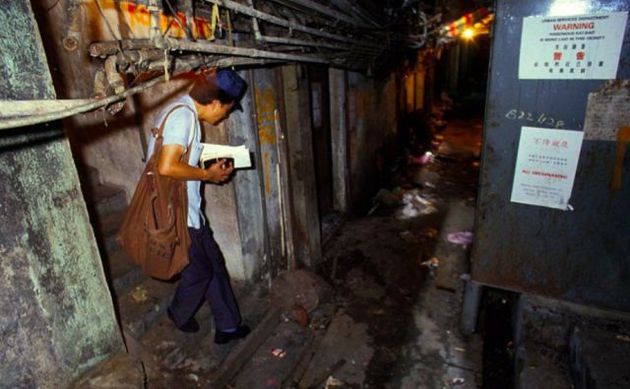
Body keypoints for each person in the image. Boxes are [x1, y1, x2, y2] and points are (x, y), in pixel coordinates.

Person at [146, 68, 249, 345]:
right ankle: (178, 314)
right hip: (177, 214)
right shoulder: (183, 117)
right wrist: (208, 175)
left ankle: (227, 326)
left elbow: (179, 157)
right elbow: (167, 166)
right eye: (227, 110)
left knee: (213, 263)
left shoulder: (182, 111)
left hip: (189, 210)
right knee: (200, 271)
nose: (225, 116)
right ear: (215, 102)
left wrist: (208, 163)